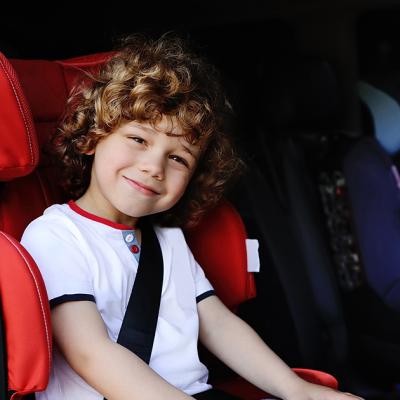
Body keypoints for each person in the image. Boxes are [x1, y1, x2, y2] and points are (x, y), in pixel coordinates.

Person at [21, 34, 363, 400]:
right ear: (92, 137)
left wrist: (298, 391)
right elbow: (92, 353)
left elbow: (217, 324)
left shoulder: (167, 239)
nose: (154, 166)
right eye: (138, 139)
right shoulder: (55, 235)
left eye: (178, 158)